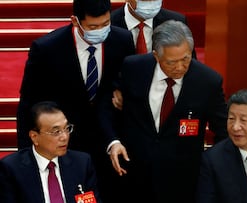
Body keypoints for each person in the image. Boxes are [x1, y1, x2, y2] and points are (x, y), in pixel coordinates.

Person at [16, 0, 135, 201]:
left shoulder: (121, 40)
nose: (101, 31)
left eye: (105, 24)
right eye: (92, 27)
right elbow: (28, 104)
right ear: (75, 21)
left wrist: (123, 91)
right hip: (64, 143)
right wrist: (25, 156)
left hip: (109, 142)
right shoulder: (47, 49)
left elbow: (126, 79)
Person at [99, 20, 228, 203]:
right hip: (133, 175)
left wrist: (210, 166)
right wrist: (113, 141)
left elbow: (223, 129)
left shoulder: (207, 81)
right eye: (171, 62)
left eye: (186, 59)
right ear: (156, 56)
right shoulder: (133, 68)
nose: (180, 67)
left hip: (183, 183)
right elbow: (107, 106)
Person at [0, 101, 102, 203]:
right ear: (34, 137)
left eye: (67, 128)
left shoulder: (82, 163)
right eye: (56, 132)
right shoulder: (12, 169)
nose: (65, 137)